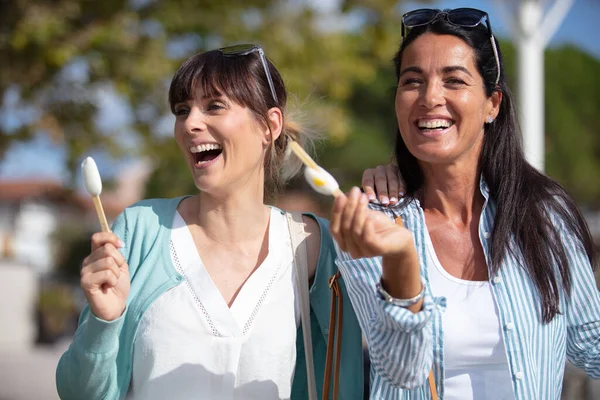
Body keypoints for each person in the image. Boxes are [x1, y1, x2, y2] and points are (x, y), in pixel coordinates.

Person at [55, 44, 365, 400]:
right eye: (181, 110)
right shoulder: (139, 232)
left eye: (214, 106)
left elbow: (347, 381)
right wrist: (103, 322)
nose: (190, 124)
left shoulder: (313, 247)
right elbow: (78, 393)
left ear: (270, 125)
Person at [330, 7, 600, 400]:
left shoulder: (546, 214)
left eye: (453, 80)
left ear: (492, 104)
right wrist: (402, 263)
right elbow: (400, 369)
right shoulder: (374, 221)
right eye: (412, 81)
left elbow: (590, 341)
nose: (430, 97)